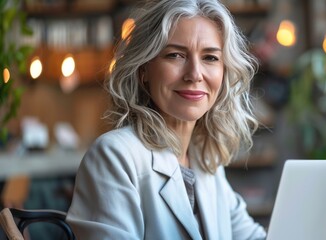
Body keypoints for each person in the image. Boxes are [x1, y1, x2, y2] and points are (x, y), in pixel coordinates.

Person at [65, 0, 267, 239]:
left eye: (210, 58)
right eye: (175, 55)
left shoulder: (205, 160)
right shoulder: (114, 156)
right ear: (144, 71)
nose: (194, 74)